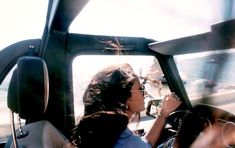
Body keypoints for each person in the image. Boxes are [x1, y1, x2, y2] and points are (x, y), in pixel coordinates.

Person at [69, 63, 182, 148]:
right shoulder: (124, 140)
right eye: (140, 89)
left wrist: (163, 115)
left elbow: (143, 145)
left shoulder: (105, 131)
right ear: (124, 99)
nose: (145, 94)